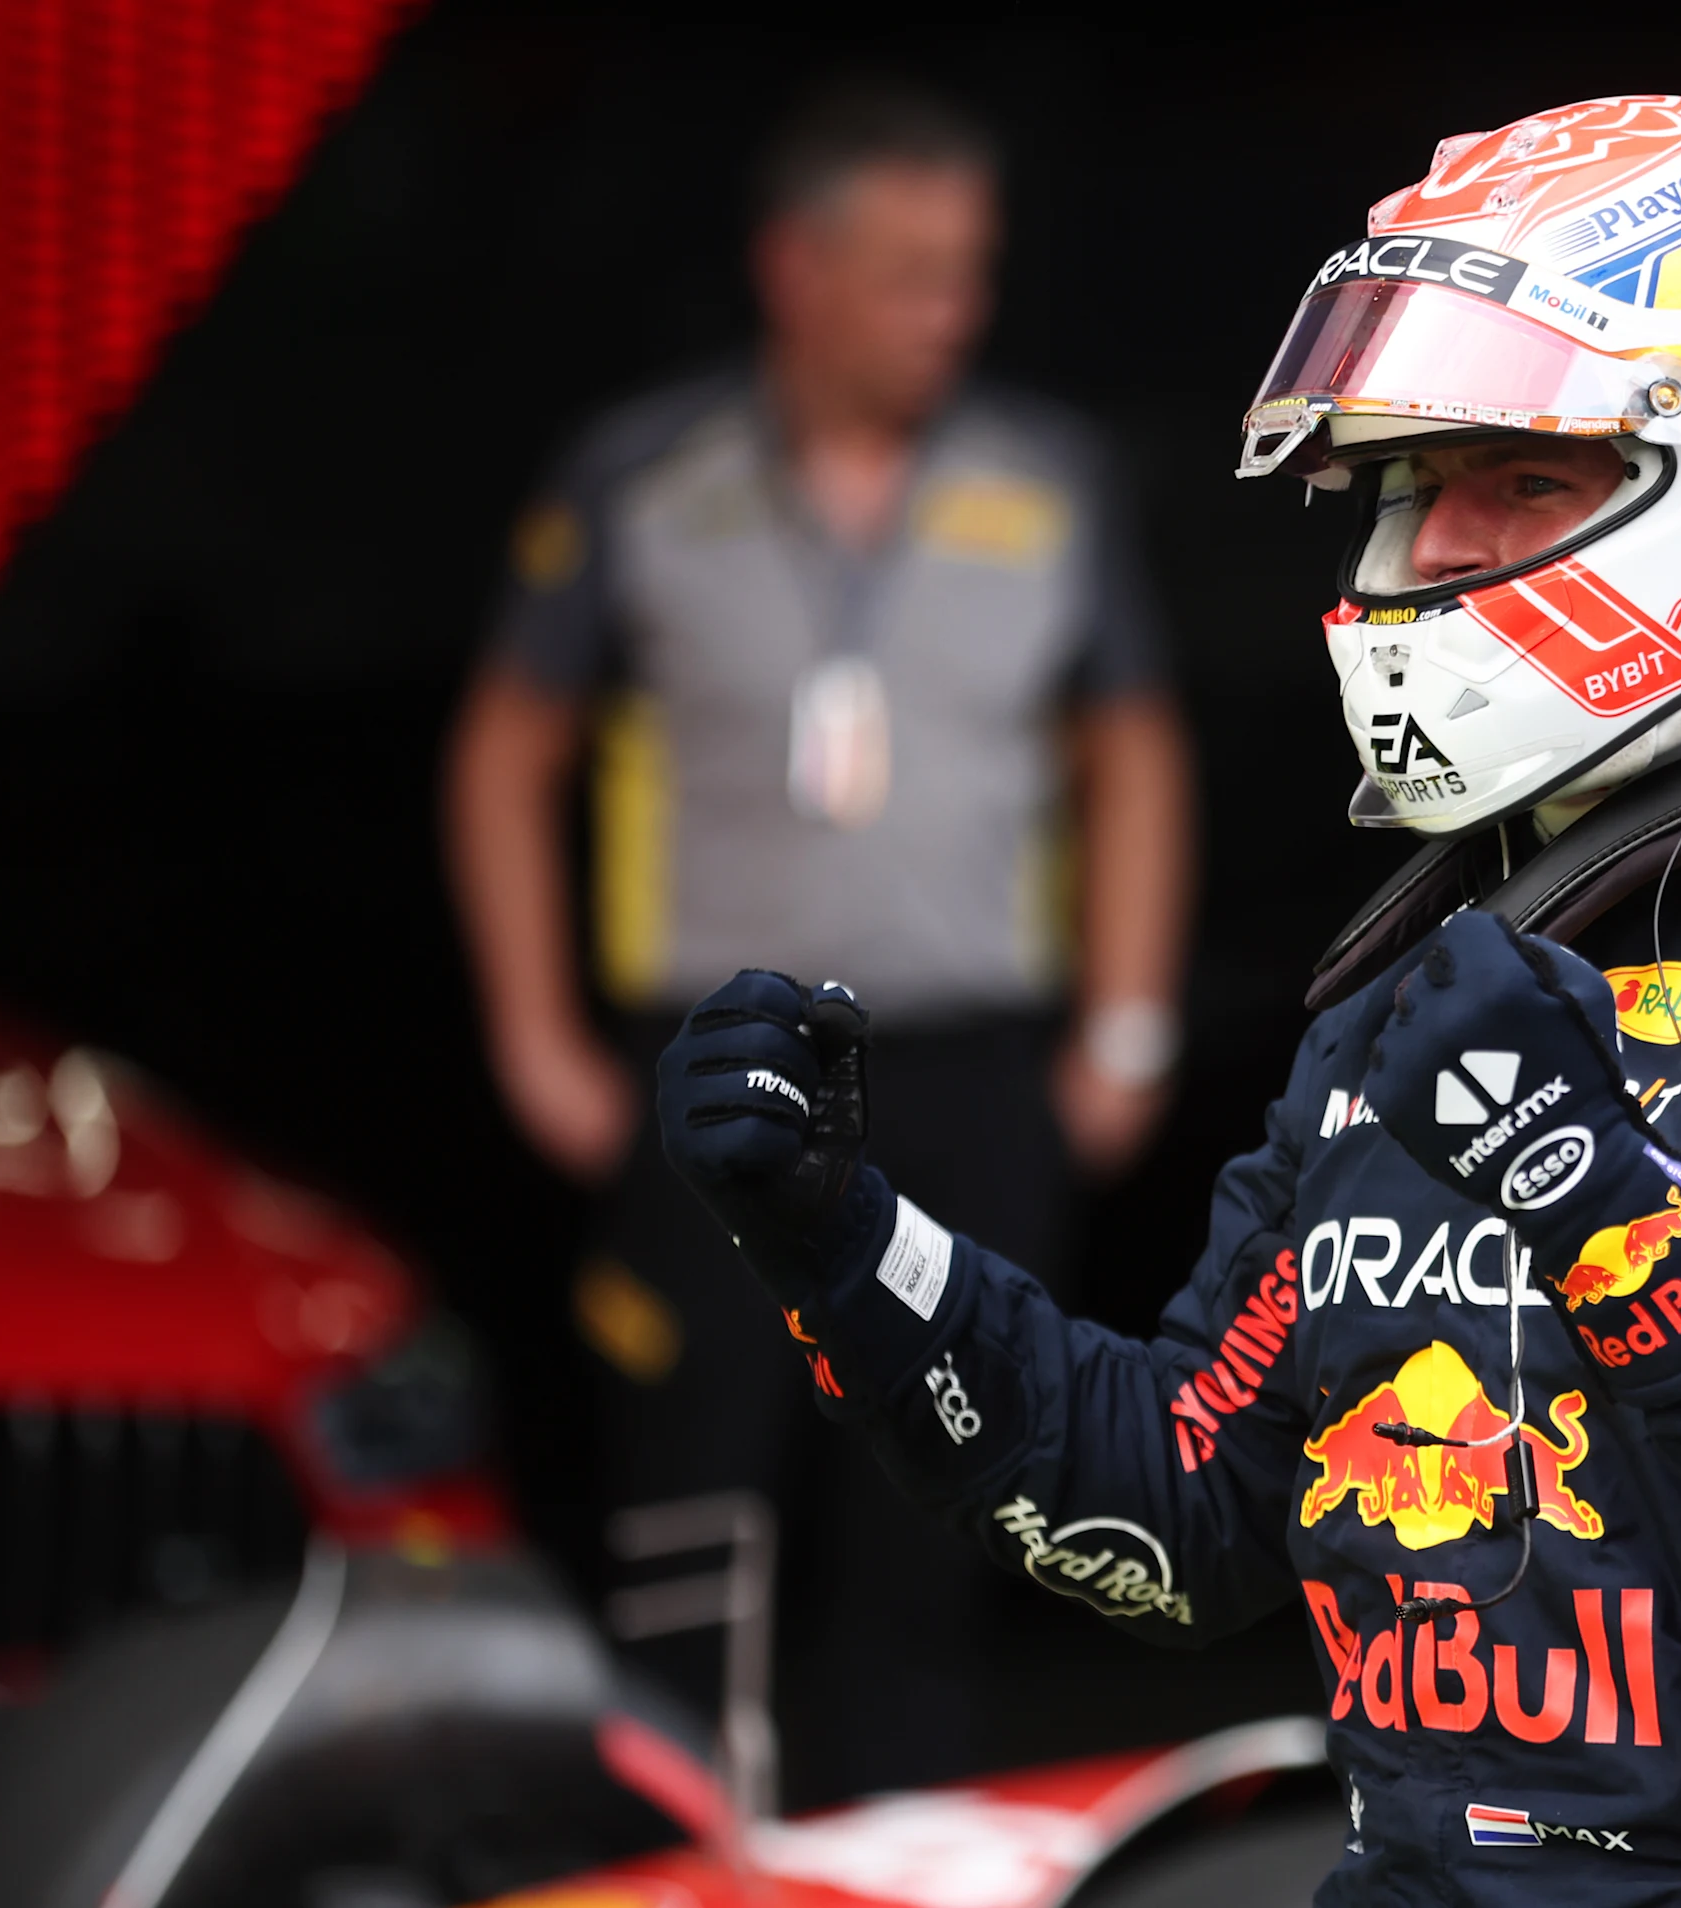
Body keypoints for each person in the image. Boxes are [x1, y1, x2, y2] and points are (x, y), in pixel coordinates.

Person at [655, 94, 1681, 1901]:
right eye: (1419, 485)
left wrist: (1598, 1203)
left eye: (1521, 478)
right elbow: (1182, 1510)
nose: (1431, 548)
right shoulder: (1436, 988)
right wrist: (847, 1247)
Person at [441, 78, 1194, 1799]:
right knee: (693, 1483)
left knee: (951, 1476)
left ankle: (912, 1834)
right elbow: (505, 748)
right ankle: (677, 1831)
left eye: (973, 271)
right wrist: (534, 1032)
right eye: (915, 271)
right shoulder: (642, 475)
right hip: (718, 1060)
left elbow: (1134, 751)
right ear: (797, 268)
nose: (957, 311)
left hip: (971, 1061)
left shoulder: (1050, 477)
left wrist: (1127, 1032)